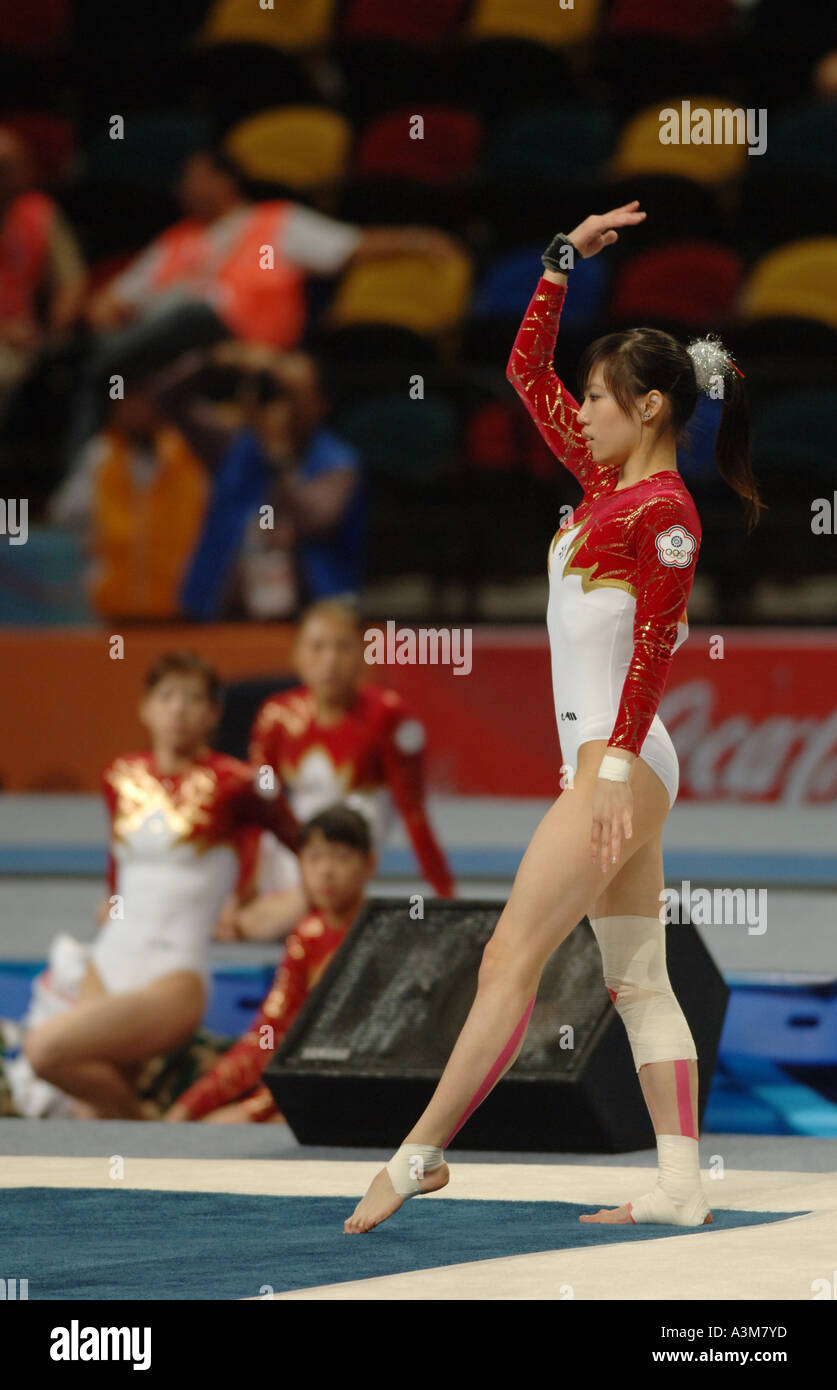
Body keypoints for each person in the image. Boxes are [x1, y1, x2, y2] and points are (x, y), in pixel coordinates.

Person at [343, 201, 763, 1235]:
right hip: (620, 760)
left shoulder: (664, 515)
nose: (579, 412)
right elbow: (524, 374)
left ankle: (420, 1151)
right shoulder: (601, 491)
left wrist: (612, 768)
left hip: (618, 759)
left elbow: (657, 648)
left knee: (508, 958)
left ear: (654, 408)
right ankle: (680, 1182)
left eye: (601, 399)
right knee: (636, 978)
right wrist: (561, 262)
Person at [24, 651, 300, 1119]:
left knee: (43, 1050)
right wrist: (114, 900)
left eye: (194, 699)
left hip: (174, 976)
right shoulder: (118, 774)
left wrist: (258, 902)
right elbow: (121, 861)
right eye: (167, 696)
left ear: (214, 714)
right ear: (145, 707)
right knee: (92, 1118)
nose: (178, 709)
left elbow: (303, 845)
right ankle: (152, 1134)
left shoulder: (237, 783)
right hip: (107, 962)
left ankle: (152, 1127)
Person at [68, 147, 460, 459]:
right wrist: (104, 314)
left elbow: (349, 246)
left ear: (225, 180)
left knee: (192, 314)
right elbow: (112, 301)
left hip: (242, 349)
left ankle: (106, 368)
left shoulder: (276, 222)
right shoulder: (175, 240)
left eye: (193, 175)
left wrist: (417, 239)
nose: (182, 186)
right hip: (171, 361)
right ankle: (89, 454)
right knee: (111, 353)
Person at [220, 596, 455, 943]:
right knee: (220, 872)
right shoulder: (276, 717)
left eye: (342, 647)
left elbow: (413, 812)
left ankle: (281, 911)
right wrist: (241, 890)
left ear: (363, 653)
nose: (329, 660)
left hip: (355, 830)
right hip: (294, 831)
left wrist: (446, 896)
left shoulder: (388, 716)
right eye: (317, 647)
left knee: (280, 909)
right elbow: (260, 804)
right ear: (296, 654)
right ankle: (264, 908)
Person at [163, 803, 373, 1123]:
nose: (326, 871)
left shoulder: (379, 933)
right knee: (203, 1113)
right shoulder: (306, 936)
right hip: (303, 1079)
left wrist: (256, 1109)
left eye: (341, 858)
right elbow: (268, 1035)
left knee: (256, 1126)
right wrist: (190, 1106)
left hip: (356, 1086)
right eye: (314, 858)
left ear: (369, 864)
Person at [150, 343, 365, 618]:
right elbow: (164, 399)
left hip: (306, 621)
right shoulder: (236, 445)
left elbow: (315, 519)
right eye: (276, 388)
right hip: (219, 611)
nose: (281, 401)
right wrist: (213, 361)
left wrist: (279, 454)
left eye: (292, 392)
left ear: (319, 403)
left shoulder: (339, 462)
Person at [47, 385, 208, 620]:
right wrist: (89, 534)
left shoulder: (189, 452)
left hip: (179, 604)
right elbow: (64, 510)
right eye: (124, 404)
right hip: (117, 603)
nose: (132, 412)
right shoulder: (102, 453)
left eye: (140, 403)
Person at [0, 125, 85, 415]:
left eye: (12, 165)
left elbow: (71, 281)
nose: (7, 175)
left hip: (23, 341)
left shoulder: (39, 212)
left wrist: (53, 332)